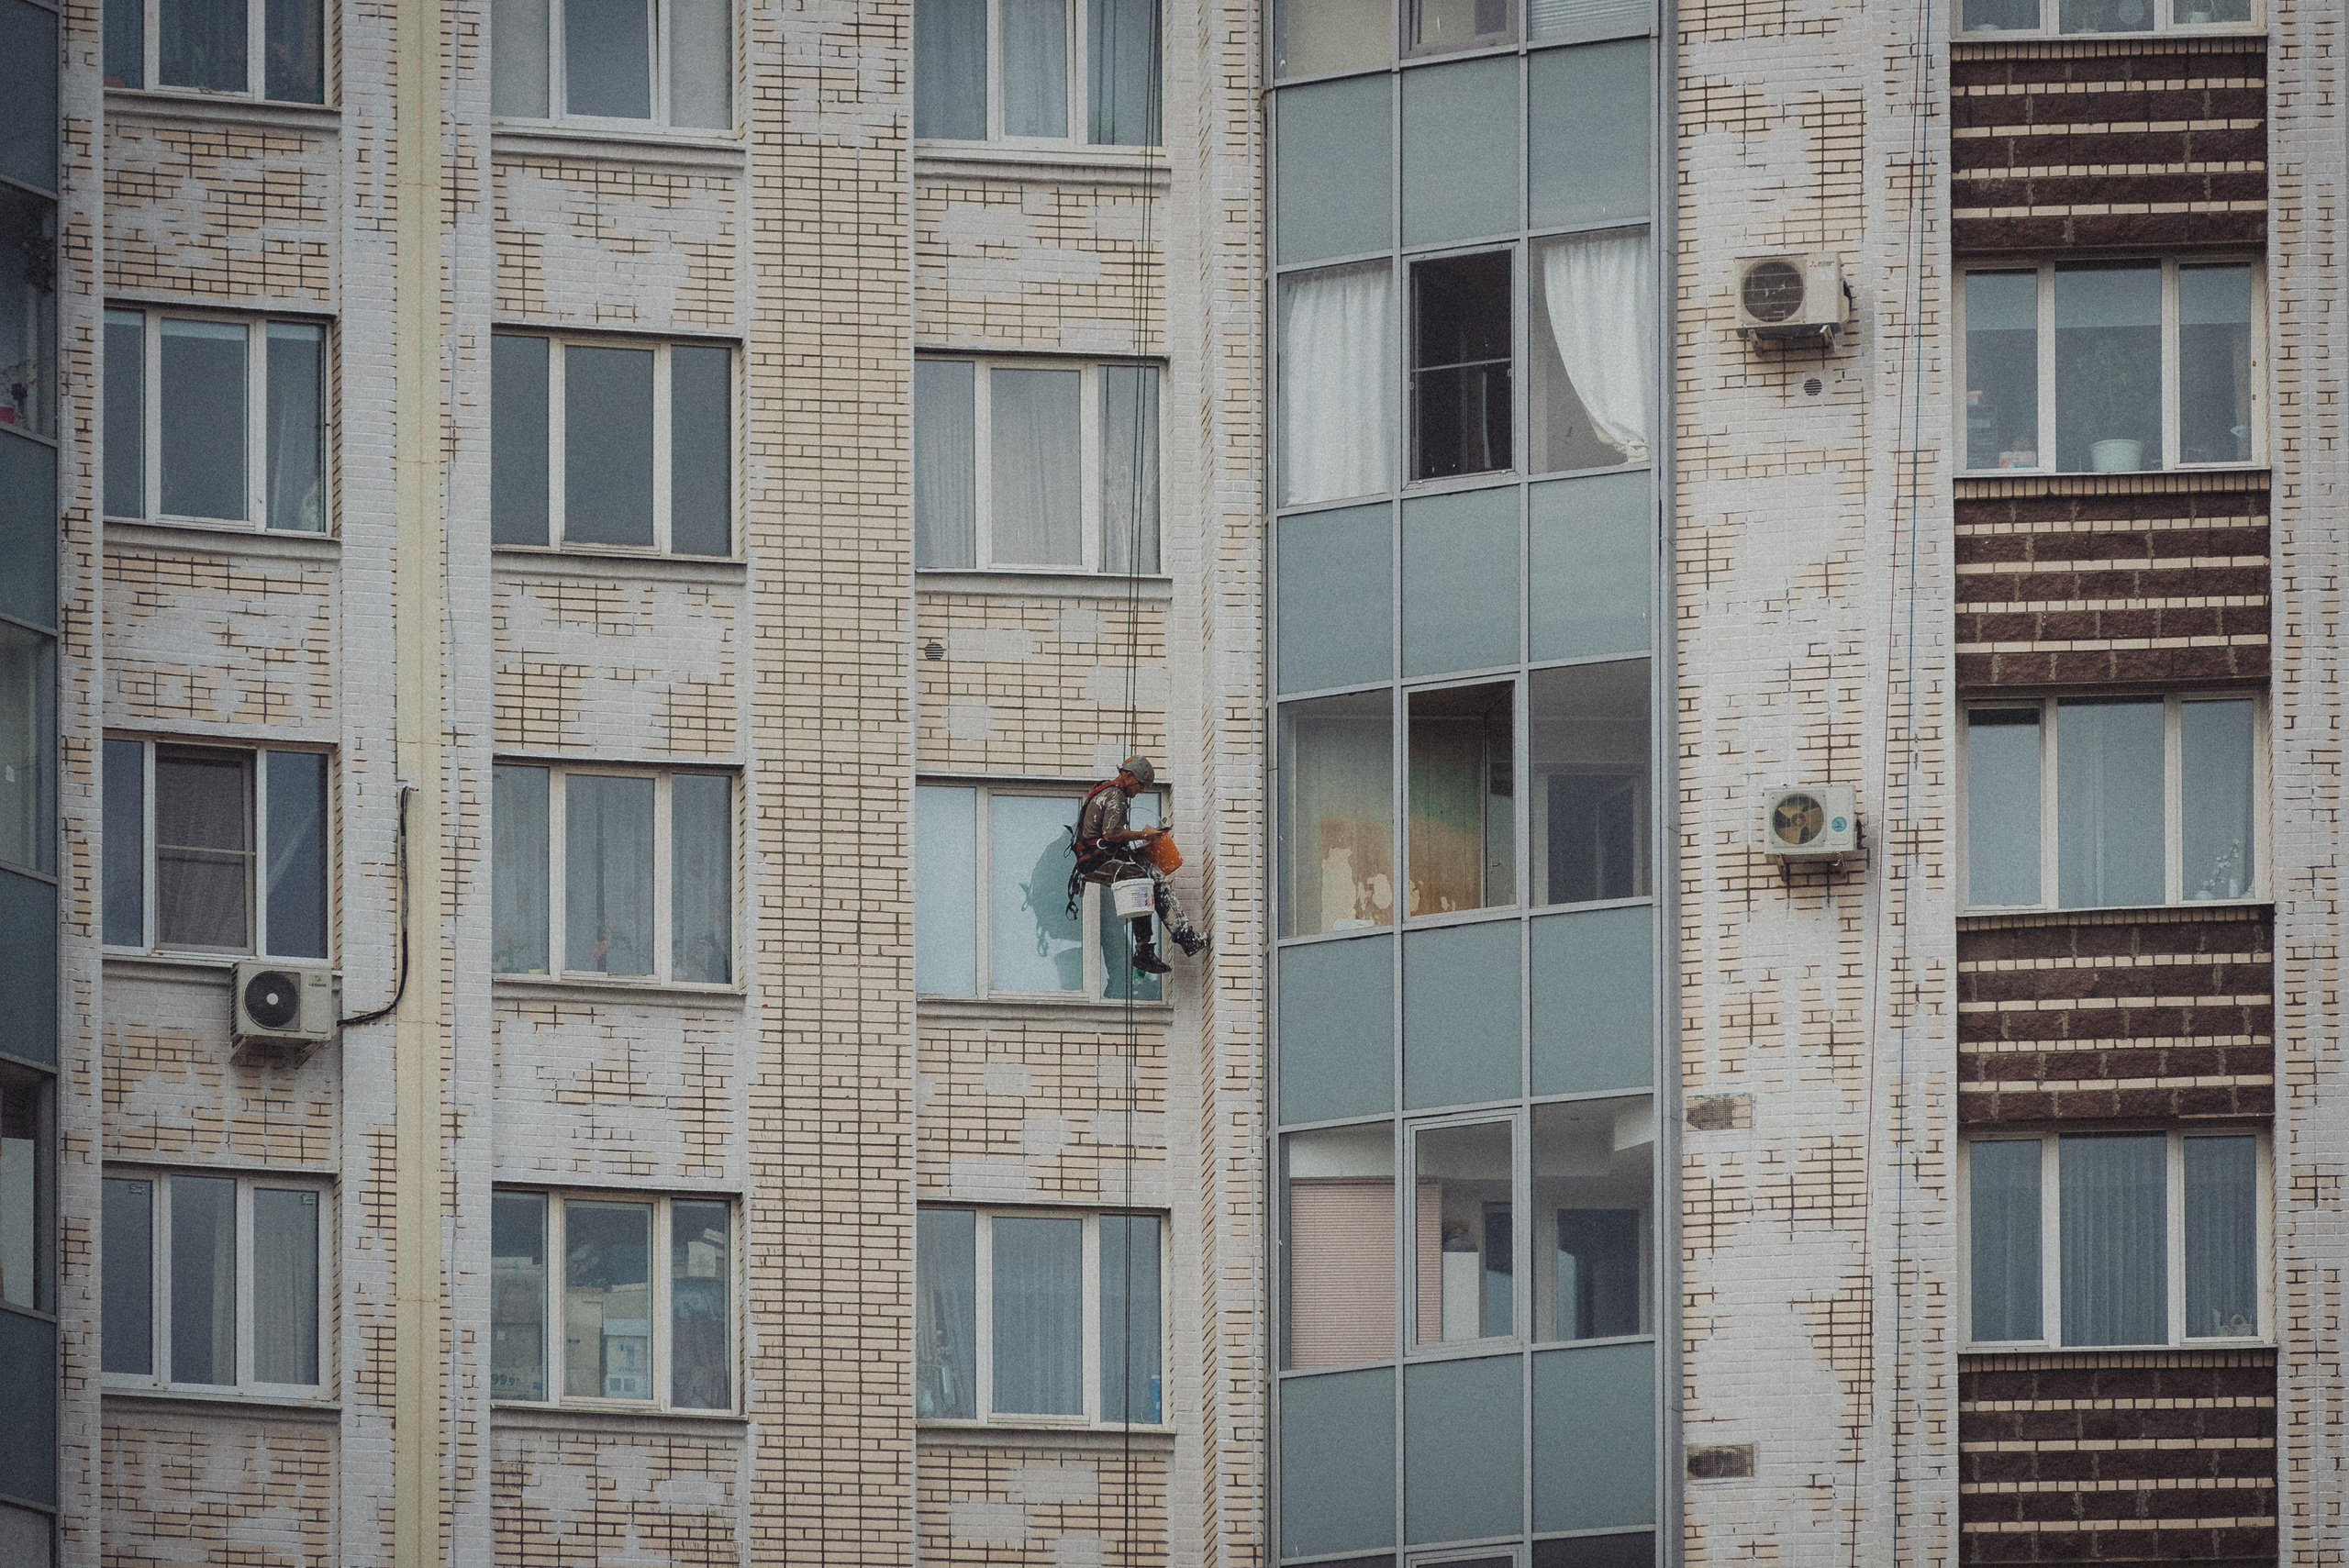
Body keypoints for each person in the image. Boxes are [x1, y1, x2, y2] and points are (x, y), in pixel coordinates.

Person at [1067, 755, 1208, 975]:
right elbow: (1111, 834)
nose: (1140, 790)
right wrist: (1146, 834)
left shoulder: (1105, 791)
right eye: (1140, 784)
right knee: (1147, 881)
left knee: (1150, 875)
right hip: (1099, 859)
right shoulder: (1116, 795)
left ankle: (1151, 947)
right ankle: (1170, 942)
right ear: (1128, 775)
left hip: (1096, 858)